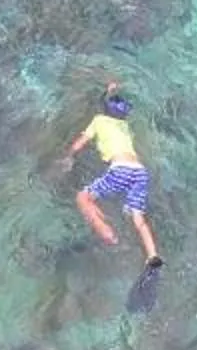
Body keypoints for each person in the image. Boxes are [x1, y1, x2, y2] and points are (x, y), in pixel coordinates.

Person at [62, 89, 161, 267]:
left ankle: (111, 239)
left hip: (121, 168)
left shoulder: (99, 120)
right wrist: (110, 91)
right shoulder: (125, 126)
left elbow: (80, 143)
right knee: (137, 217)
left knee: (83, 198)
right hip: (139, 171)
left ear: (105, 109)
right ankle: (153, 255)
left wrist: (68, 156)